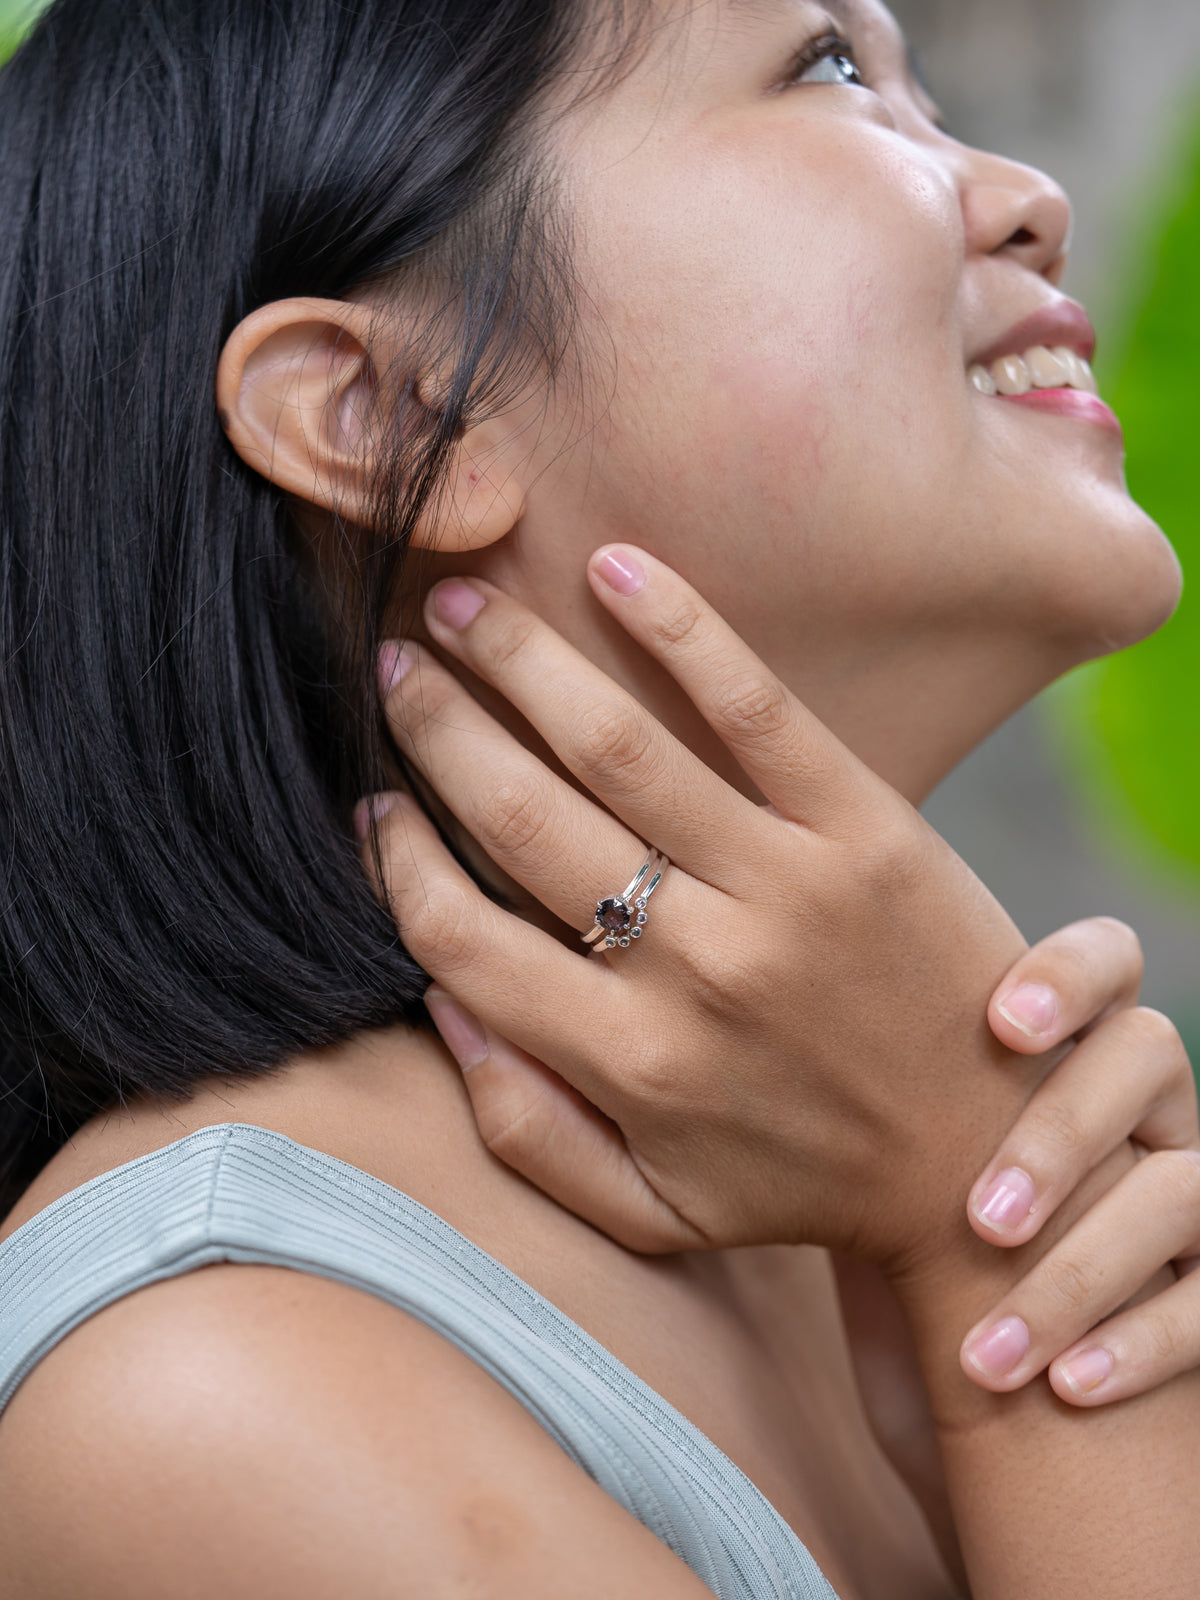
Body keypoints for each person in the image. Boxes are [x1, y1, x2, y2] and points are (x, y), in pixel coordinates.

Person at [0, 1, 1197, 1596]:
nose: (1027, 192)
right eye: (830, 67)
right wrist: (1026, 1268)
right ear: (392, 412)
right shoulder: (219, 1401)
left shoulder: (841, 1217)